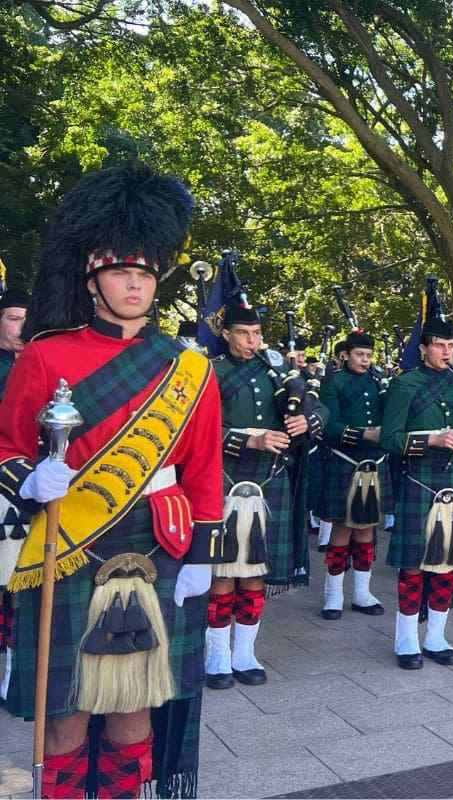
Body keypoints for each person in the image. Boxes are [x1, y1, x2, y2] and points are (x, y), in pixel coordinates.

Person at [0, 162, 226, 797]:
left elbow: (205, 466)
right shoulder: (47, 355)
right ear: (94, 282)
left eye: (144, 275)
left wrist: (204, 556)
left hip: (157, 545)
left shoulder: (189, 369)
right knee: (64, 716)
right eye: (121, 274)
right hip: (66, 546)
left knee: (135, 709)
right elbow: (6, 445)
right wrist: (29, 478)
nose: (135, 286)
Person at [205, 299, 323, 690]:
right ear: (226, 334)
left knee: (256, 573)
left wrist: (309, 419)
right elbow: (194, 431)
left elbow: (320, 409)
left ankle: (245, 653)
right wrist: (247, 440)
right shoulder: (210, 372)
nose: (252, 341)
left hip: (270, 480)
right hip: (225, 477)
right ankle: (217, 656)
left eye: (257, 334)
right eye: (243, 333)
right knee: (223, 574)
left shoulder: (277, 372)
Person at [381, 282, 453, 668]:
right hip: (419, 482)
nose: (447, 352)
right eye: (440, 346)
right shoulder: (404, 384)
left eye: (451, 346)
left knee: (448, 563)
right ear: (423, 348)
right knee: (413, 566)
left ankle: (437, 637)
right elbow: (390, 439)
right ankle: (406, 640)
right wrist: (434, 439)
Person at [318, 330, 389, 620]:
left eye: (369, 355)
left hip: (372, 463)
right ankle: (333, 595)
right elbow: (328, 425)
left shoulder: (378, 382)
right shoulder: (334, 382)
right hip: (345, 461)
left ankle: (362, 593)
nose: (365, 360)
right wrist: (365, 434)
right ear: (346, 355)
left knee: (367, 528)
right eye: (360, 355)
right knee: (342, 528)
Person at [0, 286, 28, 704]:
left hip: (34, 488)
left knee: (20, 580)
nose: (22, 326)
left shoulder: (42, 364)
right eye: (14, 317)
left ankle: (13, 668)